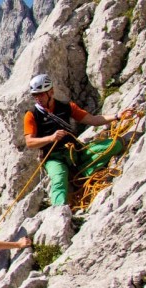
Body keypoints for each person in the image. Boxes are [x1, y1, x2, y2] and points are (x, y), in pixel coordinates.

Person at [23, 73, 133, 206]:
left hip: (75, 152)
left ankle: (81, 174)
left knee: (115, 144)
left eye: (40, 94)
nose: (38, 98)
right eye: (35, 95)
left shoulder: (66, 107)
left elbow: (92, 120)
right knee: (59, 178)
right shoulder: (31, 115)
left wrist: (117, 116)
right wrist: (51, 138)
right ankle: (59, 210)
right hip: (54, 158)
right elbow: (30, 142)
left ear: (50, 92)